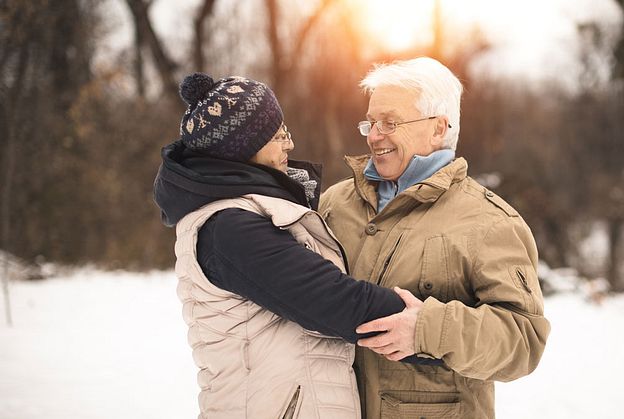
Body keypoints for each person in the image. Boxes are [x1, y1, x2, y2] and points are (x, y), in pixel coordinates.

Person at [153, 73, 436, 419]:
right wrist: (440, 329)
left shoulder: (243, 213)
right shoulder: (230, 229)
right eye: (277, 135)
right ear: (242, 149)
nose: (288, 145)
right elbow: (337, 302)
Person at [319, 57, 551, 418]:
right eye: (371, 122)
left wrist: (428, 329)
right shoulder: (335, 203)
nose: (374, 135)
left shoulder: (489, 222)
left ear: (438, 128)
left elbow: (523, 341)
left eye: (390, 122)